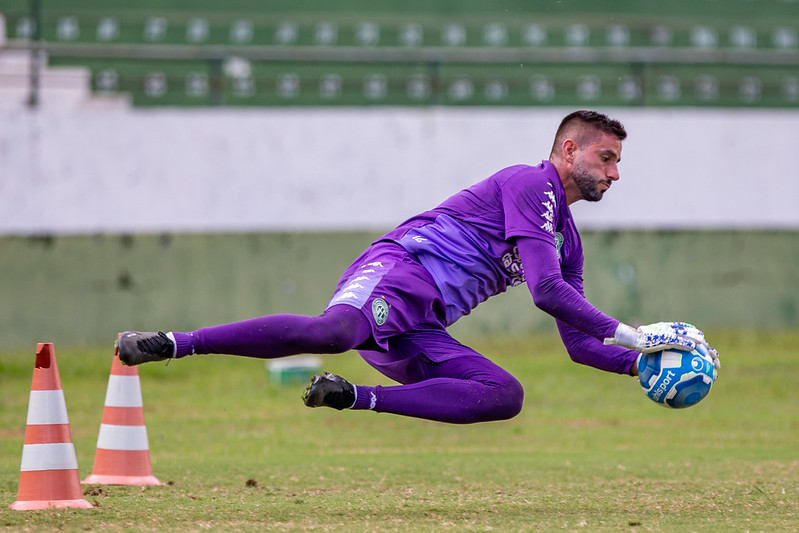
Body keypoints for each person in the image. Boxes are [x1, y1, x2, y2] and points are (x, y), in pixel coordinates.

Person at [118, 110, 720, 425]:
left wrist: (644, 365)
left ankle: (351, 398)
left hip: (423, 324)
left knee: (503, 396)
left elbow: (578, 344)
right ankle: (172, 343)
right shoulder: (531, 183)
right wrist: (640, 335)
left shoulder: (567, 238)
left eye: (618, 163)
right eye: (606, 157)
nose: (614, 173)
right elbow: (544, 291)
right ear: (569, 150)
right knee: (334, 332)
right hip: (402, 270)